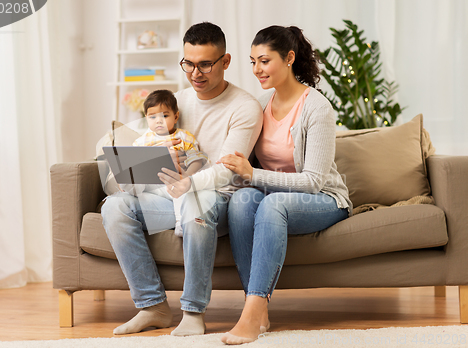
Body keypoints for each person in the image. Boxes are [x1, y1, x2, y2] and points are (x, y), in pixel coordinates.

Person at [101, 22, 263, 336]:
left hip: (217, 198)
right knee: (114, 206)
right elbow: (143, 143)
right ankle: (152, 306)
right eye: (188, 64)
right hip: (171, 195)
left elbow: (228, 169)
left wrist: (189, 182)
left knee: (194, 200)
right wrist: (134, 170)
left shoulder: (245, 107)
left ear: (225, 61)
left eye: (205, 64)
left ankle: (193, 311)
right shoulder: (176, 101)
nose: (195, 73)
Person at [217, 25, 353, 345]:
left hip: (323, 198)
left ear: (289, 58)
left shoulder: (317, 108)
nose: (256, 70)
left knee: (271, 202)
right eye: (252, 62)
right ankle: (258, 308)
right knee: (241, 202)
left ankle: (252, 312)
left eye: (264, 61)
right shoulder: (260, 104)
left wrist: (253, 175)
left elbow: (313, 181)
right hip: (273, 195)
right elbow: (245, 163)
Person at [120, 89, 208, 237]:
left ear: (176, 116)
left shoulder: (184, 137)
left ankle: (181, 222)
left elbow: (197, 158)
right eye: (152, 117)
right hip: (151, 184)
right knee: (131, 177)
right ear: (146, 118)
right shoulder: (142, 141)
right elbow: (134, 163)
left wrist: (187, 175)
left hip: (173, 181)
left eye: (164, 115)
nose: (158, 121)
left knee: (182, 191)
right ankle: (126, 187)